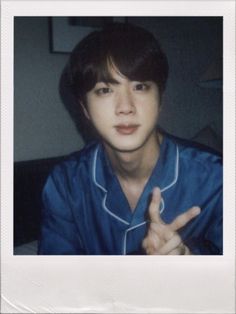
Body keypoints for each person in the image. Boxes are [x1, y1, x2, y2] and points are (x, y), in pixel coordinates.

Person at [38, 22, 222, 255]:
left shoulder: (217, 179)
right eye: (105, 90)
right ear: (84, 108)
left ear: (160, 99)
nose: (125, 107)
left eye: (140, 86)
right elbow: (55, 280)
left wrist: (190, 258)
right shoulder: (65, 183)